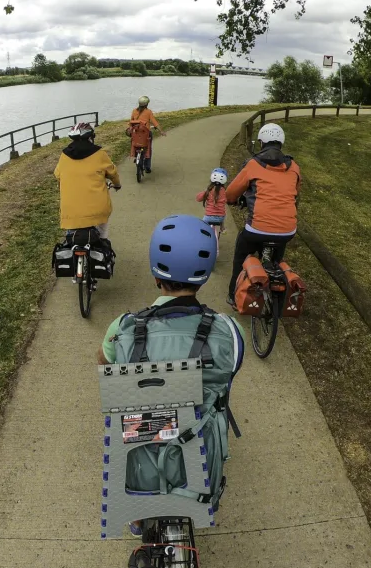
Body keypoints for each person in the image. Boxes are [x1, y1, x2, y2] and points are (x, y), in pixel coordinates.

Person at [97, 214, 245, 536]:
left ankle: (137, 515)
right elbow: (230, 375)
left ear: (156, 276)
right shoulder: (230, 332)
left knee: (130, 423)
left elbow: (104, 366)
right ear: (204, 279)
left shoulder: (122, 329)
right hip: (201, 458)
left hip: (142, 452)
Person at [225, 123, 301, 309]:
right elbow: (295, 195)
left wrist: (234, 201)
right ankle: (274, 272)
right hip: (287, 230)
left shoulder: (253, 164)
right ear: (281, 143)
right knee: (275, 255)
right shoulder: (294, 167)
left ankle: (233, 297)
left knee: (241, 255)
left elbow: (230, 194)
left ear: (261, 143)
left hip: (257, 229)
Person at [53, 122, 121, 242]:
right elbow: (113, 173)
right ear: (91, 137)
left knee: (71, 239)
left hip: (71, 211)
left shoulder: (64, 155)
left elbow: (58, 175)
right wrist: (117, 185)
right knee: (102, 233)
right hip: (98, 210)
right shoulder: (100, 154)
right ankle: (103, 244)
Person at [129, 95, 166, 173]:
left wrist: (130, 130)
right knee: (148, 148)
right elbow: (154, 122)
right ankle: (147, 167)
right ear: (146, 104)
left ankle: (136, 157)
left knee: (135, 144)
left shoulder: (134, 111)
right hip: (145, 134)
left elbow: (131, 122)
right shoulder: (148, 112)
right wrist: (161, 131)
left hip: (136, 133)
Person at [196, 168, 228, 233]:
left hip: (208, 217)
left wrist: (205, 192)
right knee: (221, 212)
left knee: (202, 228)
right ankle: (222, 228)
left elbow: (198, 198)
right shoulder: (225, 191)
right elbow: (227, 200)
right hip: (220, 218)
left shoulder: (209, 191)